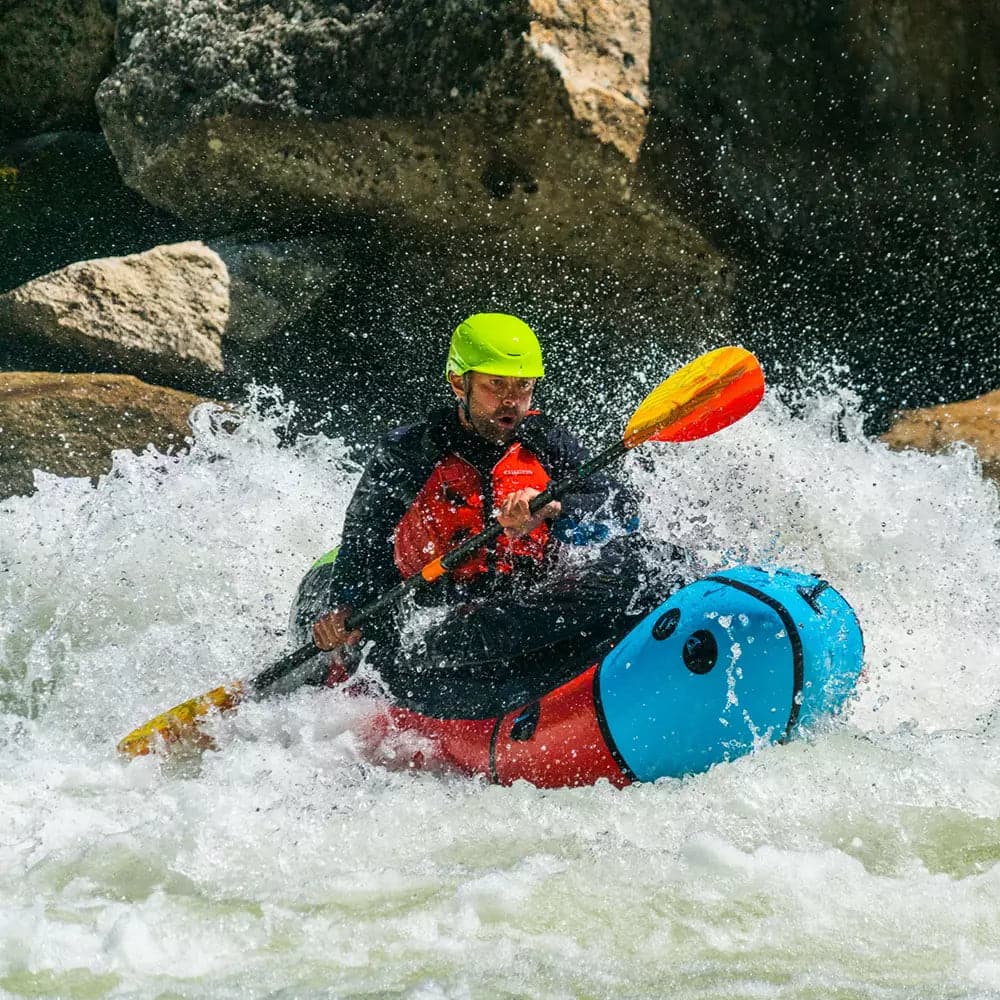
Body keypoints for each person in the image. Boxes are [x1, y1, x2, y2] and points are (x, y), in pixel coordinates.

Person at [302, 312, 688, 718]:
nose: (511, 400)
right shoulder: (410, 451)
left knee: (656, 563)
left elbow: (619, 510)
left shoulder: (546, 439)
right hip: (435, 616)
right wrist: (345, 606)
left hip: (527, 599)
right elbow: (365, 536)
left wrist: (552, 510)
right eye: (495, 385)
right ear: (458, 382)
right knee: (491, 631)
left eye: (523, 386)